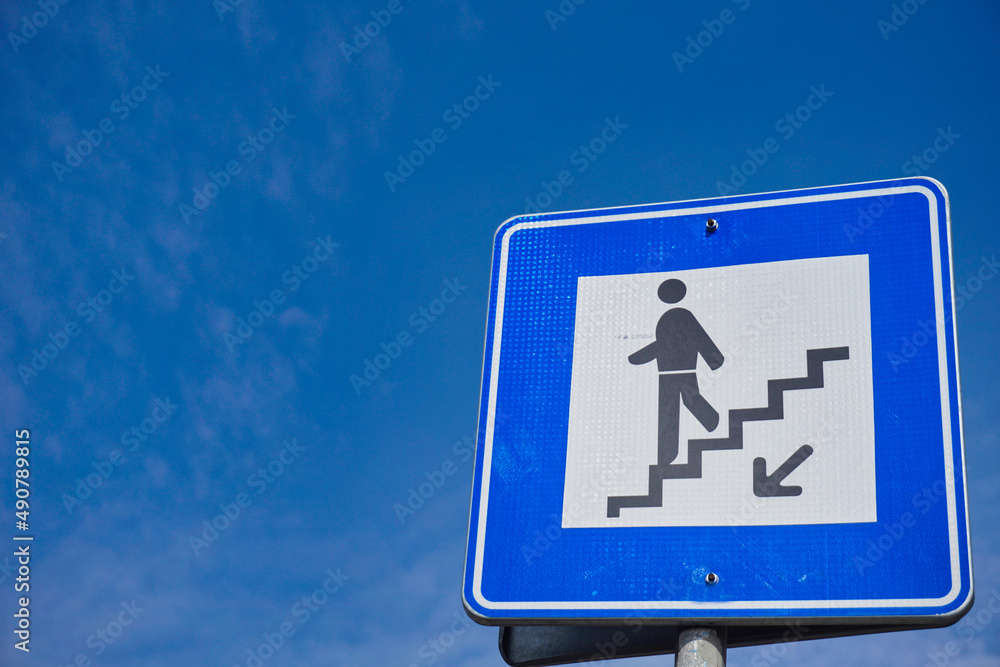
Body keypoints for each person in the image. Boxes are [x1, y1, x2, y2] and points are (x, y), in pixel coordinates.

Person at [628, 279, 724, 467]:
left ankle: (711, 420)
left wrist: (715, 360)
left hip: (682, 370)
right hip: (667, 374)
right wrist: (715, 361)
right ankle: (667, 456)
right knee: (670, 409)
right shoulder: (668, 319)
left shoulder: (679, 317)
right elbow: (662, 346)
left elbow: (698, 337)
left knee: (687, 401)